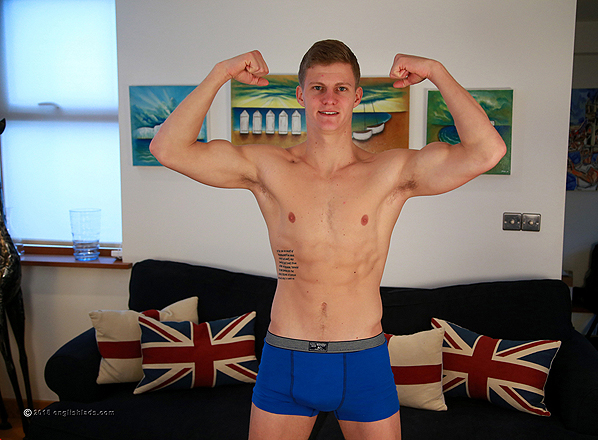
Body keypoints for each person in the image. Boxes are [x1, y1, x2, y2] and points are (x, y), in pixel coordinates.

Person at [150, 40, 506, 440]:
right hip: (287, 357)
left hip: (363, 360)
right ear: (301, 95)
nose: (329, 99)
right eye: (318, 87)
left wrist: (436, 70)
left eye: (341, 88)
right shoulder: (268, 167)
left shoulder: (390, 172)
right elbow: (168, 148)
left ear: (357, 96)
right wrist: (221, 72)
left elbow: (487, 151)